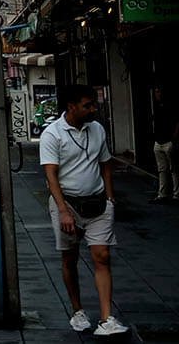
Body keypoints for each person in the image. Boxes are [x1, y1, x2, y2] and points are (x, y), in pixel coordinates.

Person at [41, 84, 127, 337]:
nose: (93, 109)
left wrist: (110, 197)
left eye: (93, 104)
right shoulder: (52, 134)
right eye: (87, 105)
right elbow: (51, 175)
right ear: (71, 107)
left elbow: (106, 163)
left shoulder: (97, 129)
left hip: (98, 203)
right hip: (67, 204)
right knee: (70, 257)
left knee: (102, 256)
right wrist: (63, 210)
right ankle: (77, 310)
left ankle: (106, 317)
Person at [150, 87, 179, 204]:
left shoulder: (169, 106)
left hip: (167, 141)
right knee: (162, 169)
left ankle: (175, 195)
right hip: (159, 141)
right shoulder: (157, 106)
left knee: (172, 169)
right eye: (156, 91)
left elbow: (177, 122)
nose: (157, 94)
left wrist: (174, 138)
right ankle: (163, 194)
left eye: (159, 91)